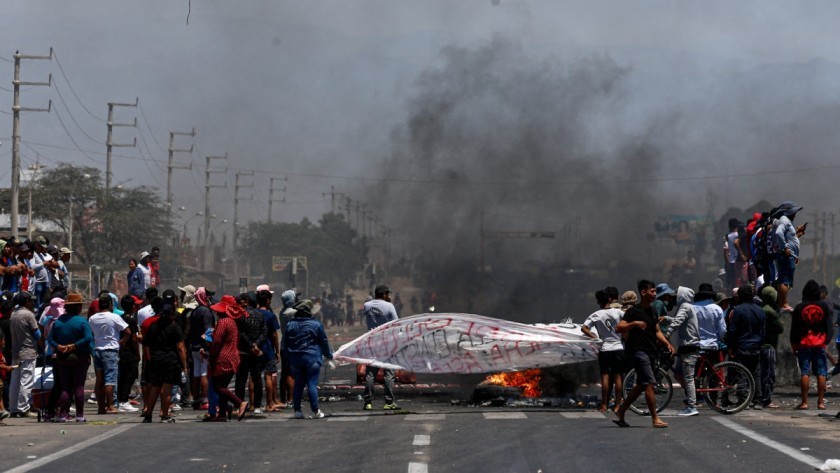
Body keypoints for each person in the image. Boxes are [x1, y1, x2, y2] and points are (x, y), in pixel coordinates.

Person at [613, 280, 674, 429]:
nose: (654, 294)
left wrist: (667, 343)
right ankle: (655, 418)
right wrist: (634, 324)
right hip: (639, 352)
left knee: (641, 385)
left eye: (654, 291)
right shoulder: (635, 311)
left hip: (651, 351)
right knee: (649, 384)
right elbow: (619, 327)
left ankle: (621, 410)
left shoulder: (652, 310)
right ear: (643, 292)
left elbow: (657, 330)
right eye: (651, 291)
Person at [283, 299, 333, 419]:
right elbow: (324, 341)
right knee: (311, 384)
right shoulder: (316, 324)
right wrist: (328, 355)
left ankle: (297, 411)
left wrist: (288, 357)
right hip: (312, 358)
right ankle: (315, 411)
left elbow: (286, 343)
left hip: (296, 359)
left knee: (298, 385)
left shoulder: (290, 324)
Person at [47, 293, 92, 422]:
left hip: (62, 357)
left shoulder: (58, 322)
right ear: (78, 307)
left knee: (65, 386)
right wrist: (74, 345)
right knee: (79, 386)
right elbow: (88, 338)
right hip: (80, 356)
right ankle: (80, 415)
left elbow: (50, 338)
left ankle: (63, 414)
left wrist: (58, 346)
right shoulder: (82, 321)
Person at [142, 303, 188, 423]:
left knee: (155, 387)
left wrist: (149, 358)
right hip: (171, 361)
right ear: (172, 315)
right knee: (167, 388)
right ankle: (164, 415)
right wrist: (184, 365)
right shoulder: (175, 327)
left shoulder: (153, 326)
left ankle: (148, 415)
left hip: (156, 360)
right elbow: (180, 347)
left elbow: (146, 345)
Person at [580, 289, 624, 413]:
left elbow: (584, 328)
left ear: (599, 301)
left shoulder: (596, 315)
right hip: (618, 348)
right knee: (618, 377)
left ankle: (604, 405)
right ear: (610, 299)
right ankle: (617, 405)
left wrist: (595, 337)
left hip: (605, 348)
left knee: (605, 377)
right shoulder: (618, 312)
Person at [790, 279, 832, 410]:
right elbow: (828, 326)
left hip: (804, 344)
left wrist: (794, 345)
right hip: (819, 344)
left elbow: (794, 329)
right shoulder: (824, 306)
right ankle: (820, 402)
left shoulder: (799, 307)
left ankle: (804, 402)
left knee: (805, 372)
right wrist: (826, 341)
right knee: (821, 373)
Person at [208, 295, 248, 422]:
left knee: (218, 386)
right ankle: (222, 415)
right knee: (223, 386)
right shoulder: (232, 322)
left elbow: (216, 342)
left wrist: (211, 355)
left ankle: (239, 403)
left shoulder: (223, 322)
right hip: (232, 357)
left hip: (223, 358)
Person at [89, 293, 130, 415]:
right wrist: (122, 341)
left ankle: (101, 407)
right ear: (111, 304)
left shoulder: (92, 318)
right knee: (110, 380)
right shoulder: (114, 317)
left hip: (97, 350)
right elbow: (127, 331)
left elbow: (90, 332)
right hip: (110, 351)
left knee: (99, 380)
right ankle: (110, 405)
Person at [662, 287, 701, 417]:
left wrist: (666, 334)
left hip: (689, 347)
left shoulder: (685, 307)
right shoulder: (688, 307)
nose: (674, 297)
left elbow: (678, 322)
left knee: (688, 378)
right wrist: (667, 318)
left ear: (682, 296)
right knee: (679, 373)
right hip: (686, 347)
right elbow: (678, 321)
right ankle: (692, 399)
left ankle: (692, 406)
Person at [727, 284, 765, 410]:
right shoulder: (760, 310)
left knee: (742, 374)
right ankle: (758, 400)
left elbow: (733, 330)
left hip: (742, 347)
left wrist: (731, 346)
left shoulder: (738, 310)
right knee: (756, 374)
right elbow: (763, 330)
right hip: (756, 347)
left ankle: (744, 401)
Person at [362, 284, 400, 410]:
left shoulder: (367, 305)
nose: (388, 296)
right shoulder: (389, 306)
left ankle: (368, 402)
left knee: (370, 374)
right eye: (387, 294)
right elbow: (396, 323)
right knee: (388, 373)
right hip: (386, 343)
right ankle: (388, 402)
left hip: (372, 342)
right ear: (384, 294)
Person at [9, 291, 40, 417]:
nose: (32, 302)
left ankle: (13, 408)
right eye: (30, 300)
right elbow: (36, 334)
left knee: (15, 382)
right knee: (26, 381)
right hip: (28, 352)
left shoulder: (13, 314)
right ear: (26, 301)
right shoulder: (28, 315)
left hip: (16, 352)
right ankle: (23, 408)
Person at [234, 293, 265, 415]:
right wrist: (256, 345)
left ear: (246, 301)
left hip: (243, 351)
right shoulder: (260, 315)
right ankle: (257, 406)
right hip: (256, 352)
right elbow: (264, 332)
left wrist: (251, 345)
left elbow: (240, 333)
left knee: (241, 379)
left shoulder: (240, 315)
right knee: (257, 378)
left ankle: (240, 405)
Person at [773, 201, 806, 311]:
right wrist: (786, 247)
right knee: (785, 280)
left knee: (783, 279)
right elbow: (779, 233)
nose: (795, 215)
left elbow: (787, 236)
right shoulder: (785, 220)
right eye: (793, 212)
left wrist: (796, 234)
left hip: (788, 255)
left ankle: (782, 303)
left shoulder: (784, 221)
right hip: (787, 255)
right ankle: (784, 304)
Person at [188, 287, 214, 410]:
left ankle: (196, 398)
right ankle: (205, 399)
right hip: (203, 347)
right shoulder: (206, 311)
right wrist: (208, 345)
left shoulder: (195, 311)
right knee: (204, 372)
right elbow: (208, 330)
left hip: (194, 347)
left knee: (196, 372)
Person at [256, 289, 282, 411]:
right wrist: (277, 351)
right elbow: (274, 335)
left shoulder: (253, 313)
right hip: (267, 348)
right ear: (267, 301)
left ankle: (253, 404)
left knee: (254, 377)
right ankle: (269, 403)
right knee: (269, 376)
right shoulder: (270, 315)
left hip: (255, 349)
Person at [759, 285, 783, 408]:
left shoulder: (760, 309)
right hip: (768, 346)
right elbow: (780, 328)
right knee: (769, 375)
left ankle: (760, 397)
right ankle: (767, 399)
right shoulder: (770, 311)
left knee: (760, 373)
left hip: (758, 346)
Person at [117, 295, 141, 413]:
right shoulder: (131, 321)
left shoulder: (120, 318)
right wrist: (138, 354)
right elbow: (134, 339)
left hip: (121, 352)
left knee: (122, 377)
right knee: (129, 377)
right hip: (130, 352)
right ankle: (124, 401)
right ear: (132, 307)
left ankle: (120, 400)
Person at [278, 289, 298, 407]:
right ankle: (291, 398)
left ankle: (283, 398)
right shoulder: (291, 313)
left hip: (284, 345)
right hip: (291, 346)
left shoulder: (283, 312)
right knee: (291, 373)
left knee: (285, 373)